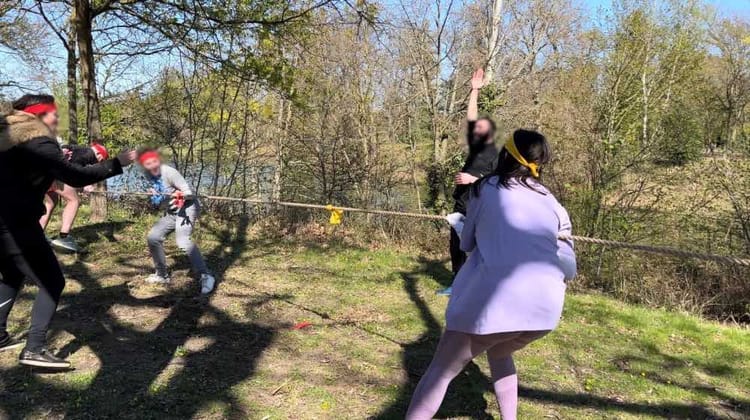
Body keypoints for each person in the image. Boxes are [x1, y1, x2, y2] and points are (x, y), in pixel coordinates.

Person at [406, 129, 577, 420]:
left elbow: (467, 242)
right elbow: (569, 264)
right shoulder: (552, 202)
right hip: (545, 313)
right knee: (499, 352)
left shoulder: (486, 189)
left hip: (495, 305)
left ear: (505, 155)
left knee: (440, 371)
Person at [0, 94, 135, 368]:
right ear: (37, 115)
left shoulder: (9, 138)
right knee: (52, 281)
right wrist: (116, 163)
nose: (57, 118)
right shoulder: (37, 140)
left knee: (12, 274)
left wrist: (91, 152)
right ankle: (34, 349)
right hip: (15, 225)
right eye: (52, 113)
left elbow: (63, 157)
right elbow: (74, 175)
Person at [439, 68, 499, 296]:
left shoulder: (497, 156)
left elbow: (498, 183)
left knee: (476, 247)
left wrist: (473, 179)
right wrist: (474, 91)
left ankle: (479, 286)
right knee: (456, 245)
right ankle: (457, 283)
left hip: (480, 207)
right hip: (461, 204)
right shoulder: (475, 149)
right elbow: (471, 117)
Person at [137, 148, 215, 295]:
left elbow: (189, 193)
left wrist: (181, 195)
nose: (152, 166)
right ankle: (161, 275)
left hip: (187, 208)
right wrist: (155, 197)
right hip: (172, 212)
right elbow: (160, 203)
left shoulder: (169, 172)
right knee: (153, 237)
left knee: (182, 240)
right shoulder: (149, 176)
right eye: (148, 164)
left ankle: (206, 275)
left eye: (154, 162)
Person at [40, 141, 109, 252]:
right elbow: (74, 168)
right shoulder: (88, 153)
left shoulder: (76, 148)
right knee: (74, 201)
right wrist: (84, 184)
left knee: (51, 202)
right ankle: (64, 237)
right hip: (55, 175)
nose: (98, 162)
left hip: (45, 173)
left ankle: (38, 234)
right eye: (101, 160)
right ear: (100, 155)